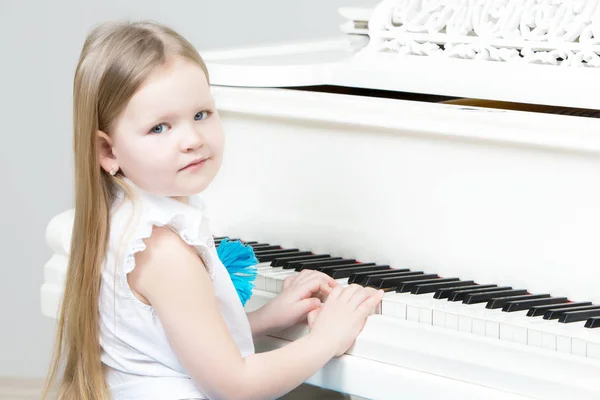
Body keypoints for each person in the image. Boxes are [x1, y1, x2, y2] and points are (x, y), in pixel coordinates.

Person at [44, 20, 384, 400]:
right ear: (108, 151)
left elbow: (173, 342)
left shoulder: (125, 216)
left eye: (202, 114)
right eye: (160, 128)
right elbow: (235, 386)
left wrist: (263, 319)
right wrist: (327, 339)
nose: (191, 139)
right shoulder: (163, 250)